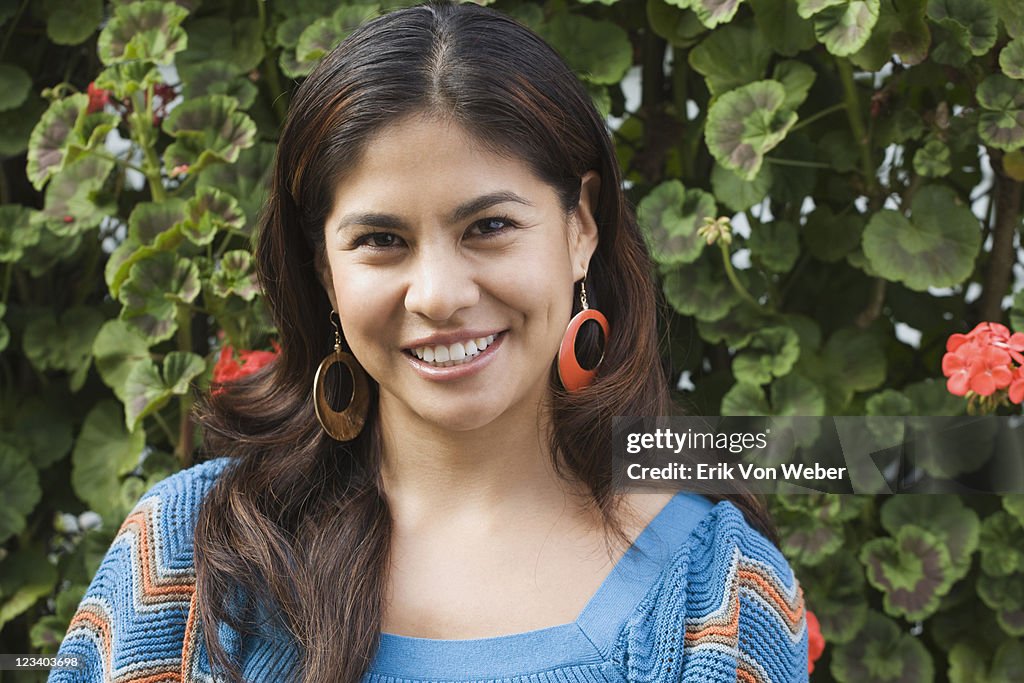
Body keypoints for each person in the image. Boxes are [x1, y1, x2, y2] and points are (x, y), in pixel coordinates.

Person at [49, 2, 808, 681]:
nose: (440, 294)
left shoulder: (718, 601)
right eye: (381, 239)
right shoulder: (190, 553)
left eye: (490, 227)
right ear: (323, 269)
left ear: (582, 226)